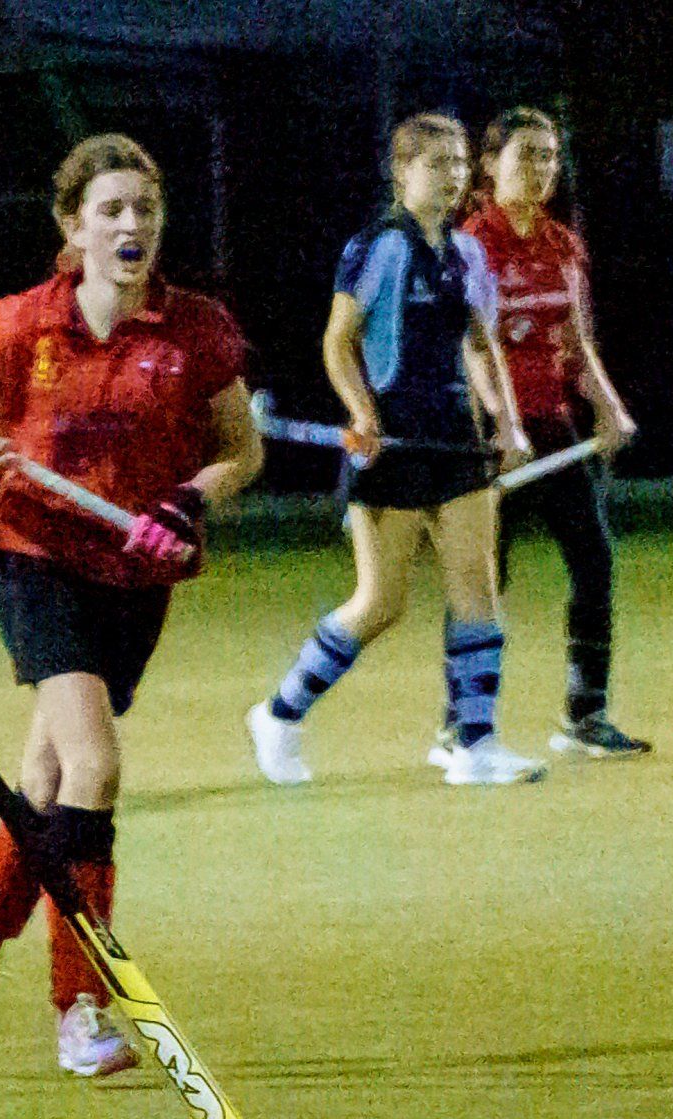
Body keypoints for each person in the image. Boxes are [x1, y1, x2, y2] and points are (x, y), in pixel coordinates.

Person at [0, 133, 262, 1075]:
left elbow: (242, 451)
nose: (131, 225)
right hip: (34, 556)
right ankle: (81, 1008)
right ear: (73, 226)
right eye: (110, 210)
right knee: (95, 767)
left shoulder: (196, 331)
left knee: (46, 783)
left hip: (134, 579)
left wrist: (188, 501)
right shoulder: (24, 323)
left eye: (145, 208)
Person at [248, 113, 542, 788]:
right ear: (402, 171)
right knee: (381, 602)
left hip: (454, 439)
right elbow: (337, 341)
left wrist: (506, 423)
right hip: (390, 445)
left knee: (477, 588)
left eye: (459, 163)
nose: (452, 176)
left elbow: (480, 345)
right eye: (436, 164)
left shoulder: (467, 253)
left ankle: (475, 745)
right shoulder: (379, 246)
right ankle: (280, 714)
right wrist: (363, 414)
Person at [458, 106, 646, 758]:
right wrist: (502, 426)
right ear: (490, 165)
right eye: (526, 155)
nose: (541, 168)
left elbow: (577, 337)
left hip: (552, 423)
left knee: (594, 560)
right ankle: (461, 724)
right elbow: (473, 347)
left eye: (549, 155)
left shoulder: (563, 243)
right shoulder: (472, 244)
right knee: (484, 576)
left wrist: (608, 407)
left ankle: (585, 715)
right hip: (486, 432)